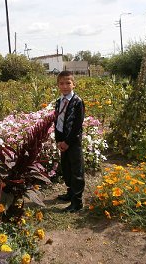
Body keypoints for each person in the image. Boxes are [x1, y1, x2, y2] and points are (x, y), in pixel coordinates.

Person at [54, 70, 85, 213]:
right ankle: (70, 193)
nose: (65, 86)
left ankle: (77, 201)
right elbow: (57, 122)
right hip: (63, 143)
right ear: (58, 85)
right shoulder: (59, 102)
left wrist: (67, 142)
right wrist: (59, 140)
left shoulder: (77, 102)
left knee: (76, 171)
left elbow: (77, 126)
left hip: (73, 142)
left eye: (68, 83)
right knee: (66, 168)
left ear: (74, 84)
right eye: (61, 83)